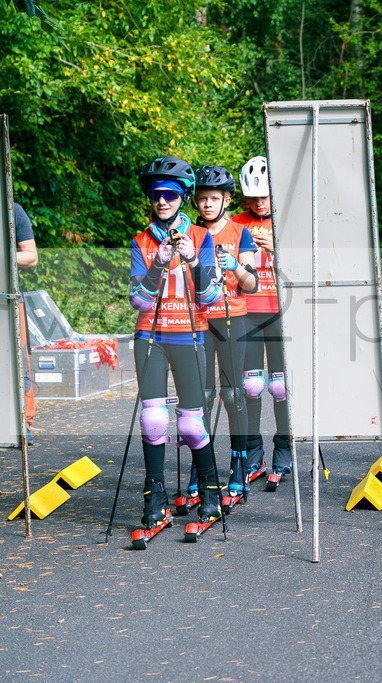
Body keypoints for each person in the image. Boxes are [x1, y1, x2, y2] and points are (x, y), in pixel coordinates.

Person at [129, 156, 222, 529]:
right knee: (153, 420)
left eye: (169, 194)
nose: (162, 201)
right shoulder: (141, 241)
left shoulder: (201, 237)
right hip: (150, 336)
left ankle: (210, 492)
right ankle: (155, 499)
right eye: (156, 194)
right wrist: (158, 263)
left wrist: (193, 262)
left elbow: (211, 297)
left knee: (190, 426)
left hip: (190, 334)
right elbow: (138, 300)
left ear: (183, 197)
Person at [192, 165, 259, 499]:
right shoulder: (189, 233)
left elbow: (252, 283)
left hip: (232, 319)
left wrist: (236, 266)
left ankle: (239, 464)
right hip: (198, 321)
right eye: (202, 198)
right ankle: (201, 469)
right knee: (200, 398)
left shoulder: (239, 232)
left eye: (214, 198)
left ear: (227, 200)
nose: (207, 204)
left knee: (233, 395)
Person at [232, 155, 292, 484]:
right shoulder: (235, 223)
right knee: (251, 386)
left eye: (264, 196)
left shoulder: (289, 220)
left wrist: (279, 248)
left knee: (281, 386)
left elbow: (306, 268)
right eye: (252, 197)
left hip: (280, 311)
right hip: (247, 312)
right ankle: (253, 454)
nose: (259, 203)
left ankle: (284, 450)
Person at [13, 202, 37, 443]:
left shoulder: (12, 210)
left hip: (8, 299)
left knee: (18, 363)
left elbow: (31, 256)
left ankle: (23, 423)